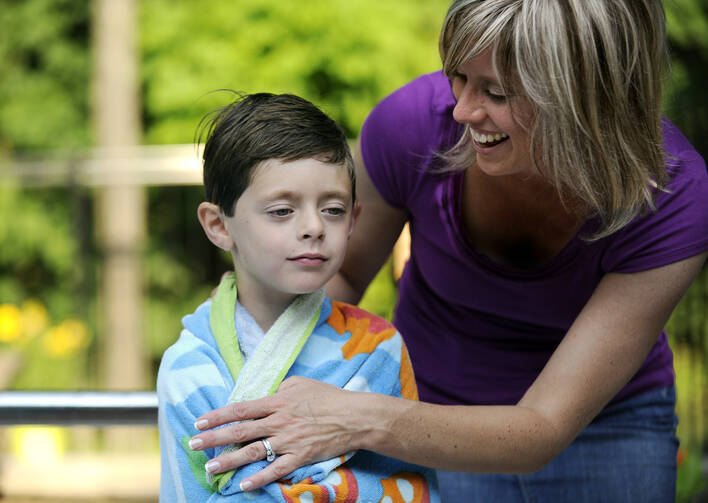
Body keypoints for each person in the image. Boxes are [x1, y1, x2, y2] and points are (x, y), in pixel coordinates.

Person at [187, 1, 708, 501]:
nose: (462, 109)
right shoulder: (412, 126)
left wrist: (357, 418)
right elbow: (331, 282)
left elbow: (542, 428)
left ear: (586, 96)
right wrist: (244, 355)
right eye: (456, 77)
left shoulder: (674, 195)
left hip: (605, 430)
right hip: (422, 413)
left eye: (496, 93)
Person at [156, 92, 440, 502]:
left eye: (333, 209)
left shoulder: (378, 346)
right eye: (282, 211)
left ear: (353, 220)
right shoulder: (191, 367)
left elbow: (405, 484)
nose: (313, 227)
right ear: (218, 225)